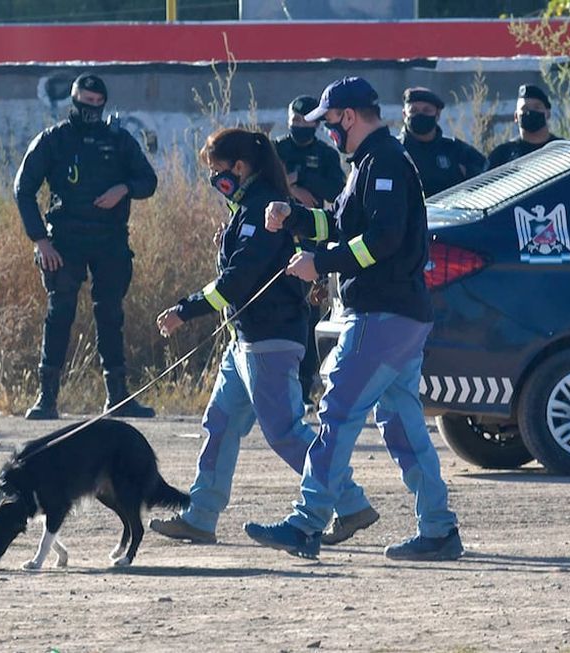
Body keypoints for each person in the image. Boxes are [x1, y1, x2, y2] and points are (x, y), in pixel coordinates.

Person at [243, 76, 463, 562]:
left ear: (347, 116)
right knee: (402, 422)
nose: (326, 134)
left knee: (338, 412)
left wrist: (318, 264)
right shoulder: (370, 163)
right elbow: (342, 226)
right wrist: (296, 217)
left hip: (383, 315)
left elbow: (381, 241)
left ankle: (307, 523)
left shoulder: (382, 162)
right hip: (398, 315)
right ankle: (439, 529)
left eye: (330, 123)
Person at [150, 127, 379, 546]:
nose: (214, 178)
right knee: (220, 422)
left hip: (270, 339)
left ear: (240, 167)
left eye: (217, 170)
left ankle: (350, 503)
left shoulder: (260, 209)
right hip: (245, 339)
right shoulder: (246, 208)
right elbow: (239, 265)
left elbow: (236, 282)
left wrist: (184, 312)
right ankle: (200, 516)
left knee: (286, 432)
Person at [15, 72, 158, 420]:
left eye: (97, 103)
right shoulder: (54, 140)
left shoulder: (119, 140)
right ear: (74, 100)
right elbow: (23, 190)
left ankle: (118, 398)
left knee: (110, 314)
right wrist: (41, 241)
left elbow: (148, 181)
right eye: (84, 102)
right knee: (59, 314)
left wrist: (124, 188)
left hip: (109, 239)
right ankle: (46, 399)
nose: (90, 108)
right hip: (64, 241)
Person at [273, 94, 347, 412]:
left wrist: (300, 180)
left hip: (314, 240)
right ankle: (280, 388)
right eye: (295, 121)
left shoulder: (326, 155)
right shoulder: (276, 150)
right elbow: (267, 187)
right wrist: (291, 191)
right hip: (280, 240)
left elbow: (336, 193)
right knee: (281, 310)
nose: (300, 127)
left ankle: (305, 389)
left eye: (306, 122)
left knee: (310, 312)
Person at [397, 86, 485, 197]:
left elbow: (488, 180)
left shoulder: (457, 151)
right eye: (413, 111)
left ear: (437, 114)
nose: (420, 115)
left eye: (426, 110)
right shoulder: (394, 152)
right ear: (404, 114)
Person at [486, 84, 562, 169]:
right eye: (525, 109)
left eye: (537, 107)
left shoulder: (565, 150)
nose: (530, 112)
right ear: (516, 117)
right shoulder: (502, 156)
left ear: (548, 114)